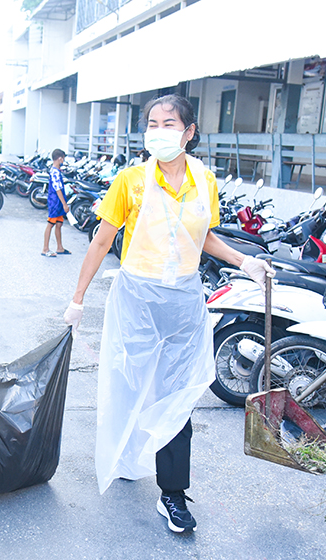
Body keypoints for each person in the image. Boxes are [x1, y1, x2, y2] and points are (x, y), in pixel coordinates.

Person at [62, 94, 274, 534]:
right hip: (136, 301)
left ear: (189, 132)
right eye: (152, 124)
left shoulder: (204, 180)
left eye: (169, 124)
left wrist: (244, 262)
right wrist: (77, 299)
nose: (158, 132)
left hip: (182, 303)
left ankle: (172, 493)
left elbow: (203, 237)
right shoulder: (130, 180)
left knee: (176, 396)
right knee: (128, 383)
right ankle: (125, 455)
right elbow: (102, 240)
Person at [42, 148, 71, 257]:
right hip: (55, 202)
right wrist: (64, 204)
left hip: (57, 202)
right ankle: (45, 249)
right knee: (50, 224)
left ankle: (60, 247)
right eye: (63, 159)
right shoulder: (54, 172)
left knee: (59, 224)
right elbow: (58, 189)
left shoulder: (56, 171)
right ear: (60, 159)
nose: (63, 161)